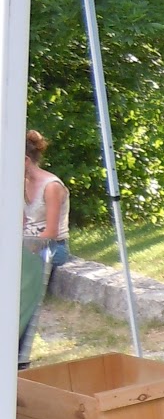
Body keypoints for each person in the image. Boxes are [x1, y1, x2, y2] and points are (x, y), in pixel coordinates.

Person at [19, 129, 71, 368]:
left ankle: (20, 351)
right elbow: (18, 224)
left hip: (51, 247)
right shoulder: (20, 183)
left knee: (22, 275)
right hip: (26, 245)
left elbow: (50, 233)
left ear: (25, 160)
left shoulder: (51, 186)